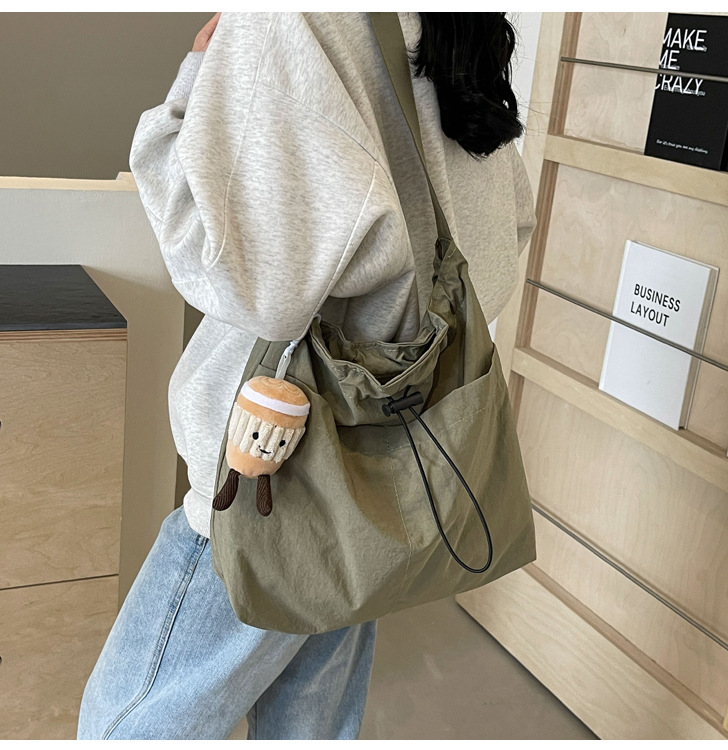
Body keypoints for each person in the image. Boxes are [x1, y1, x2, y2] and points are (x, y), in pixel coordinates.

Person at [77, 11, 537, 741]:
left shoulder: (289, 19)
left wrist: (184, 100)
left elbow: (246, 279)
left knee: (126, 725)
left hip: (267, 472)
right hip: (375, 482)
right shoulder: (452, 20)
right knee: (312, 727)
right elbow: (501, 238)